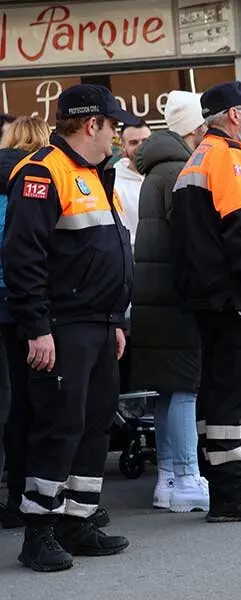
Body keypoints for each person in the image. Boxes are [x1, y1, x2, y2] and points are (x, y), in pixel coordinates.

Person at [3, 84, 136, 571]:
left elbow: (110, 253)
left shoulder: (99, 175)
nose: (118, 135)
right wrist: (37, 326)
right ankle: (40, 531)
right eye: (113, 125)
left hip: (99, 323)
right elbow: (23, 257)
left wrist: (115, 318)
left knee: (96, 425)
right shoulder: (42, 170)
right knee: (58, 426)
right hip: (61, 325)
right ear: (90, 125)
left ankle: (77, 521)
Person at [170, 80, 241, 523]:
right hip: (233, 297)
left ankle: (226, 488)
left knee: (216, 395)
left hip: (207, 298)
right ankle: (232, 494)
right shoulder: (231, 160)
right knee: (230, 398)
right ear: (234, 116)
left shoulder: (198, 158)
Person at [130, 91, 210, 512]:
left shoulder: (154, 172)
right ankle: (186, 476)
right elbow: (190, 241)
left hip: (151, 297)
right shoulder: (181, 170)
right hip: (176, 298)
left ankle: (168, 476)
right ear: (194, 130)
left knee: (166, 391)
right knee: (184, 389)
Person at [0, 117, 49, 529]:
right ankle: (27, 494)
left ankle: (12, 497)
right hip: (25, 305)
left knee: (10, 404)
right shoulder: (39, 179)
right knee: (34, 403)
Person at [113, 120, 151, 249]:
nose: (141, 147)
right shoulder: (114, 184)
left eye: (145, 141)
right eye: (134, 142)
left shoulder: (163, 175)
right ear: (123, 146)